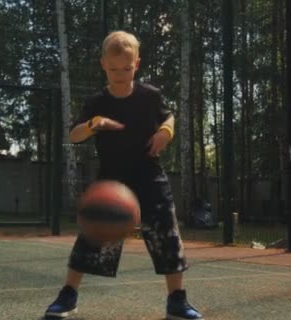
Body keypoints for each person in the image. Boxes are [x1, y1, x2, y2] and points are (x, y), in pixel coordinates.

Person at [44, 30, 203, 320]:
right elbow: (74, 135)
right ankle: (68, 295)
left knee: (166, 232)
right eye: (114, 68)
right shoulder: (97, 102)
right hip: (113, 180)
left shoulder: (150, 96)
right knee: (92, 234)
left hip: (149, 175)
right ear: (103, 64)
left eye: (127, 68)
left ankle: (177, 300)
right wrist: (93, 124)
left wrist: (165, 132)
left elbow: (168, 116)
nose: (120, 74)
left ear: (137, 64)